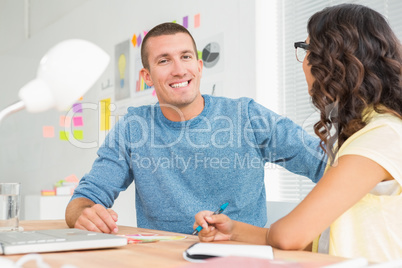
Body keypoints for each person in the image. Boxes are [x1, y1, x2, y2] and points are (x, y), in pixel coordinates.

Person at [65, 22, 326, 235]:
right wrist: (84, 215)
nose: (179, 70)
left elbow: (326, 163)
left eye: (186, 57)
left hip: (241, 259)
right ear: (147, 77)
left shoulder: (246, 116)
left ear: (199, 67)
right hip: (162, 261)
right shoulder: (133, 128)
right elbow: (84, 199)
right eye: (164, 61)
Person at [193, 4, 402, 262]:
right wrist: (233, 231)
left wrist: (282, 232)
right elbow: (314, 240)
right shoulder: (364, 133)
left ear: (336, 61)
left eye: (308, 50)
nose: (304, 62)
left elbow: (290, 235)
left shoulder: (383, 135)